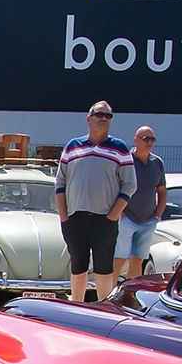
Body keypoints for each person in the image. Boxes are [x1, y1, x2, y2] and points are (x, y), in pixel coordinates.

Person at [55, 100, 135, 302]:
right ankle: (77, 309)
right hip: (75, 219)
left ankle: (103, 314)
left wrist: (113, 215)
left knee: (104, 268)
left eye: (108, 116)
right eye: (100, 114)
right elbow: (60, 182)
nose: (104, 119)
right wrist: (64, 217)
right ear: (89, 118)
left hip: (104, 220)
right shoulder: (73, 146)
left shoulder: (120, 148)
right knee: (78, 267)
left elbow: (130, 184)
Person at [113, 126, 167, 282]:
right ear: (135, 140)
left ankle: (130, 295)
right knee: (119, 259)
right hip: (126, 218)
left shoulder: (157, 163)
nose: (149, 142)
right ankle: (107, 296)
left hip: (148, 220)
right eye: (145, 139)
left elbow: (162, 190)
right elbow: (115, 188)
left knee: (138, 259)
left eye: (152, 139)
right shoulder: (126, 161)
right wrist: (120, 214)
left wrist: (157, 215)